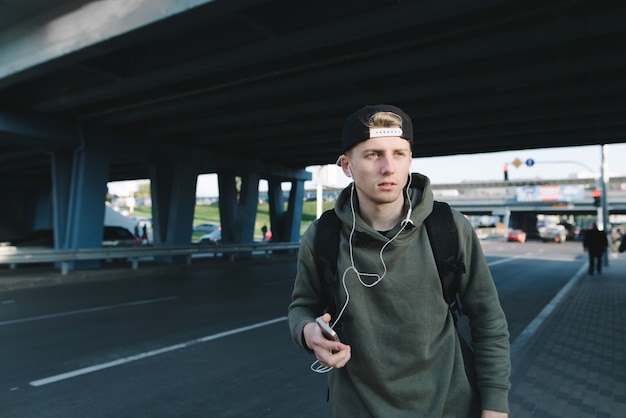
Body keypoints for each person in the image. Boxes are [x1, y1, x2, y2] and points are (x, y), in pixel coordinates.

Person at [288, 104, 511, 417]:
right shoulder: (322, 235)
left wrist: (495, 405)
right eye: (373, 154)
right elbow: (302, 307)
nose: (389, 167)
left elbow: (488, 320)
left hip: (451, 405)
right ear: (346, 165)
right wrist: (309, 333)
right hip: (358, 408)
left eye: (399, 153)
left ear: (410, 160)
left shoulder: (449, 228)